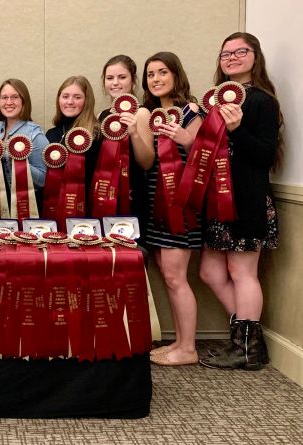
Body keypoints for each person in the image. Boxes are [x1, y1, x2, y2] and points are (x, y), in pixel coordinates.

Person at [199, 33, 282, 370]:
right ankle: (249, 341)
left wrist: (236, 129)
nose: (232, 58)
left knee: (242, 271)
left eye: (240, 52)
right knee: (209, 271)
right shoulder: (214, 102)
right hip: (218, 202)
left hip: (248, 200)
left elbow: (264, 155)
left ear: (255, 56)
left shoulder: (263, 101)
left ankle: (245, 348)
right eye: (225, 54)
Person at [138, 53, 204, 367]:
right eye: (151, 74)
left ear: (176, 75)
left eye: (163, 72)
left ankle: (188, 348)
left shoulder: (191, 110)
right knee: (168, 276)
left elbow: (206, 154)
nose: (156, 79)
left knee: (177, 277)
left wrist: (185, 138)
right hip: (157, 203)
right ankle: (180, 341)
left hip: (182, 206)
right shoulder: (151, 114)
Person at [98, 56, 153, 233]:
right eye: (109, 78)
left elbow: (147, 162)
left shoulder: (142, 112)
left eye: (122, 77)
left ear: (133, 81)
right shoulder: (101, 115)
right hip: (105, 195)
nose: (115, 83)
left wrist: (134, 132)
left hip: (132, 195)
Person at [44, 76, 102, 214]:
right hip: (54, 209)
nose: (70, 102)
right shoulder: (51, 134)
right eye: (65, 96)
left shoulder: (96, 134)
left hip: (86, 210)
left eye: (77, 97)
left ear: (87, 101)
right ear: (59, 100)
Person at [0, 78, 47, 205]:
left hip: (25, 205)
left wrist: (19, 161)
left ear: (24, 101)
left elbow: (44, 179)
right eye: (4, 97)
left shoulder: (34, 133)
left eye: (15, 97)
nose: (9, 102)